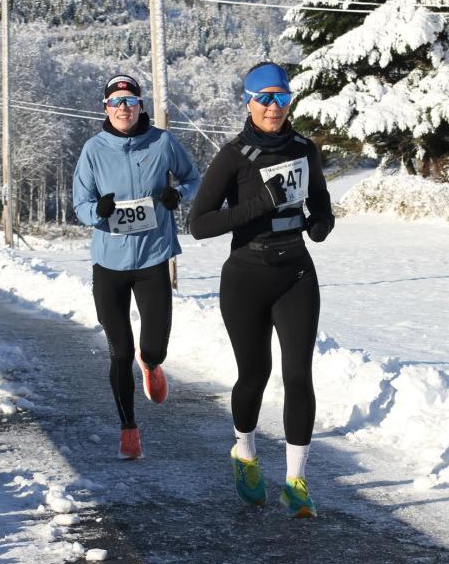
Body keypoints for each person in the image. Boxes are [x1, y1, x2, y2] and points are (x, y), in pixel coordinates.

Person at [189, 62, 335, 518]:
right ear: (248, 102)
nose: (274, 107)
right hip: (245, 277)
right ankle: (246, 454)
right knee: (255, 375)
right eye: (264, 98)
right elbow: (199, 224)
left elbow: (323, 208)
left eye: (282, 97)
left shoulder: (304, 149)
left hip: (295, 274)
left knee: (298, 376)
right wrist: (258, 204)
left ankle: (297, 481)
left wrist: (320, 224)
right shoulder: (232, 155)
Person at [72, 74, 201, 460]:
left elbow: (195, 179)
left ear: (140, 105)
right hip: (109, 264)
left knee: (152, 347)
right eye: (116, 103)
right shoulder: (93, 150)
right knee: (119, 351)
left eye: (130, 101)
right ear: (106, 109)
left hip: (153, 258)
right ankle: (129, 428)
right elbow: (80, 205)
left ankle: (153, 364)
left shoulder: (162, 142)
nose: (124, 109)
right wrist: (99, 211)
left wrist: (177, 194)